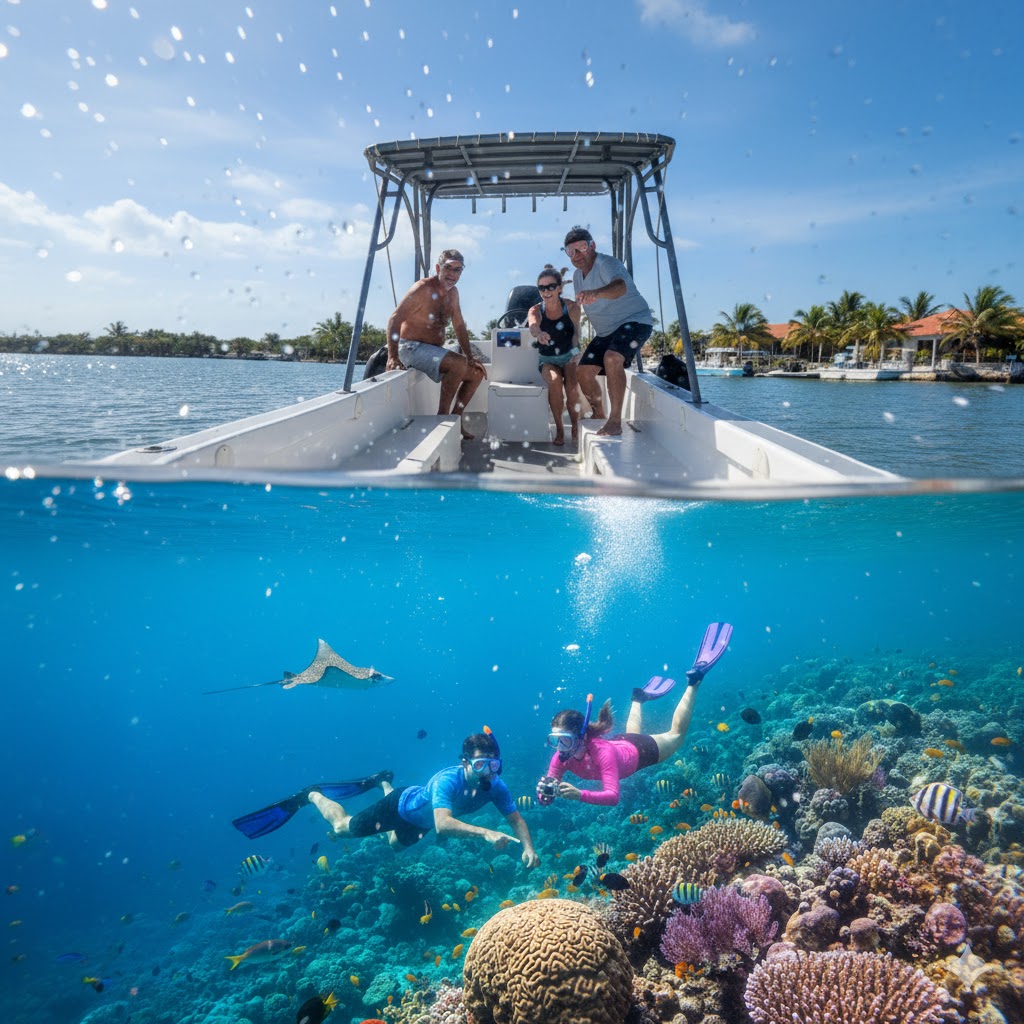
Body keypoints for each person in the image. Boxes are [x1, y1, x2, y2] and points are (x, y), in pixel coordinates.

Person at [232, 729, 540, 868]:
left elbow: (516, 819)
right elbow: (444, 825)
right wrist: (486, 833)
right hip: (401, 807)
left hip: (420, 822)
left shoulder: (496, 785)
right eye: (481, 766)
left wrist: (528, 847)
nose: (489, 772)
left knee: (394, 846)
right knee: (342, 828)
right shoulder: (448, 780)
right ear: (465, 763)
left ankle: (382, 782)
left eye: (494, 766)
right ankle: (311, 794)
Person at [535, 623, 732, 807]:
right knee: (632, 733)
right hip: (622, 744)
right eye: (556, 740)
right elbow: (545, 798)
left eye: (565, 740)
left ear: (582, 736)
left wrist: (580, 795)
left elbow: (613, 796)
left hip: (641, 751)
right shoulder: (561, 758)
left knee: (676, 736)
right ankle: (638, 699)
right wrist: (544, 794)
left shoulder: (602, 753)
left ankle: (694, 681)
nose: (560, 747)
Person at [385, 249, 487, 439]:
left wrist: (470, 357)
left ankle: (455, 421)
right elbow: (394, 320)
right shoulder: (422, 288)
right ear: (438, 267)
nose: (452, 274)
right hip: (410, 347)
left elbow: (459, 325)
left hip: (433, 350)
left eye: (458, 270)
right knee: (457, 363)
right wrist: (393, 357)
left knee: (476, 373)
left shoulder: (453, 293)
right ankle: (442, 420)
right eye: (448, 268)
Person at [564, 227, 654, 437]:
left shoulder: (607, 263)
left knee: (612, 358)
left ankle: (615, 421)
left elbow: (620, 287)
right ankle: (599, 413)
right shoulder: (577, 276)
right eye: (571, 251)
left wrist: (598, 293)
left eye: (582, 248)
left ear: (592, 246)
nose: (577, 255)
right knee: (583, 373)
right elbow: (584, 303)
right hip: (606, 332)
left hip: (634, 321)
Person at [526, 265, 582, 446]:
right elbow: (533, 326)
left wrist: (575, 352)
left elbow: (576, 334)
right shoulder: (535, 310)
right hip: (547, 359)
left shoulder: (572, 307)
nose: (546, 291)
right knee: (555, 382)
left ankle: (575, 425)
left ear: (559, 287)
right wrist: (539, 333)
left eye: (550, 286)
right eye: (542, 288)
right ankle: (559, 428)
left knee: (572, 388)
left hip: (569, 355)